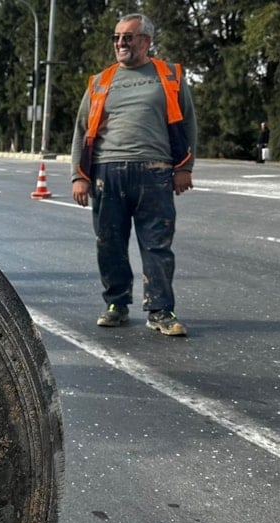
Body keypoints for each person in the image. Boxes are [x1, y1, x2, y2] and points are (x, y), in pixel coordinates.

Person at [71, 13, 196, 337]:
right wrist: (78, 176)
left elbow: (187, 123)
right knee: (109, 244)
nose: (120, 43)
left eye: (127, 37)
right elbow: (82, 129)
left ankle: (161, 310)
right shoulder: (101, 81)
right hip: (107, 171)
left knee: (157, 245)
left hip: (155, 172)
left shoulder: (169, 75)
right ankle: (116, 304)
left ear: (146, 40)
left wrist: (184, 167)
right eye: (116, 37)